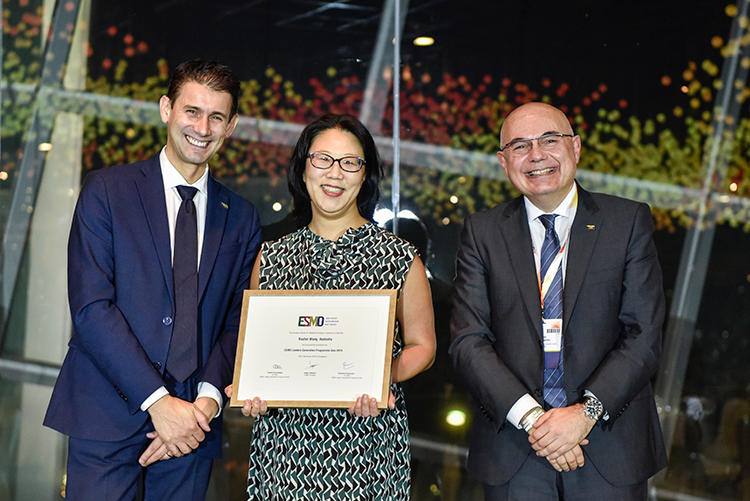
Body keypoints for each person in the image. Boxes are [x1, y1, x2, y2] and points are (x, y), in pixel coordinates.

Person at [43, 59, 262, 500]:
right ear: (166, 109)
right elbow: (91, 308)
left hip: (193, 424)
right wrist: (159, 403)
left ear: (231, 126)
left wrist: (205, 404)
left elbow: (239, 321)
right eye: (192, 111)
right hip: (105, 413)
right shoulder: (107, 191)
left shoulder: (241, 217)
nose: (202, 128)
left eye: (216, 117)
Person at [449, 102, 667, 500]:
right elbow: (468, 341)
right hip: (515, 448)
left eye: (550, 140)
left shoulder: (626, 222)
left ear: (575, 147)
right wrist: (536, 421)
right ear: (503, 161)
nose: (536, 155)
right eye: (520, 146)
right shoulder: (482, 232)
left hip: (608, 444)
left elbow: (644, 334)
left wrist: (584, 414)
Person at [230, 113, 436, 500]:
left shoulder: (399, 257)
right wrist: (254, 389)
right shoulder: (271, 258)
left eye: (350, 162)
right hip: (285, 448)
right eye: (322, 159)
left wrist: (379, 380)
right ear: (303, 168)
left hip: (368, 442)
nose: (335, 173)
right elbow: (259, 349)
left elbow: (423, 346)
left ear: (365, 174)